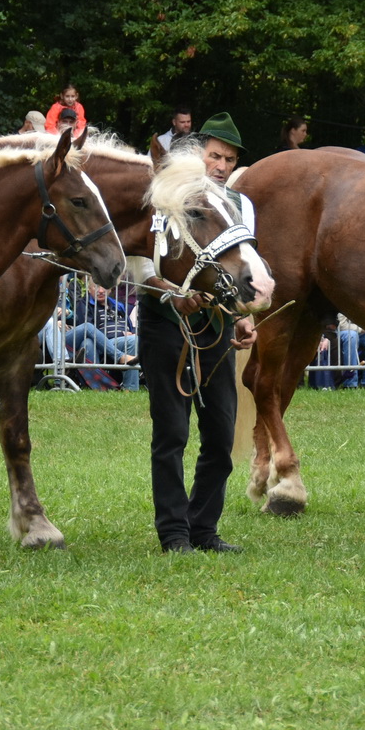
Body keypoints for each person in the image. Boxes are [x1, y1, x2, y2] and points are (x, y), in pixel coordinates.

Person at [131, 113, 259, 554]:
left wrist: (242, 315)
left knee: (221, 435)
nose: (221, 166)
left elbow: (239, 268)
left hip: (215, 326)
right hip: (164, 324)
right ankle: (174, 533)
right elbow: (140, 264)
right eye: (215, 156)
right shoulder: (164, 195)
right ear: (196, 154)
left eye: (229, 159)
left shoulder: (240, 206)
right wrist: (171, 294)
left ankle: (204, 529)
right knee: (172, 433)